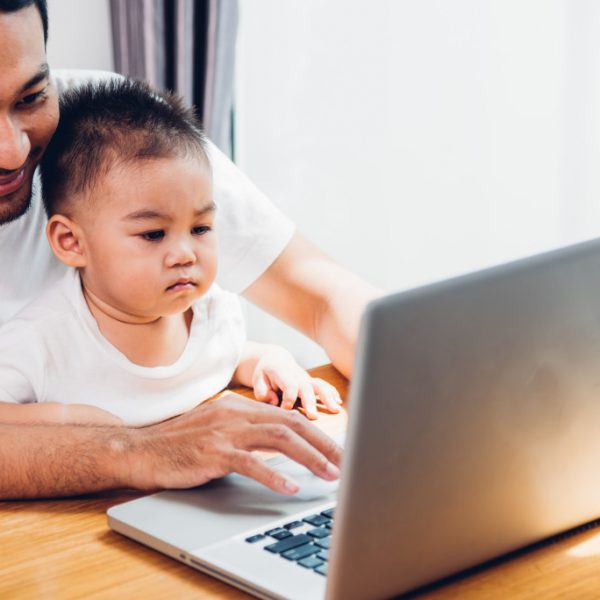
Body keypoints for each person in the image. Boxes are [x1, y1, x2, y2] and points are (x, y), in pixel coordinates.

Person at [0, 0, 379, 499]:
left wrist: (440, 384)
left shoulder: (112, 138)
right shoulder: (38, 342)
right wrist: (136, 447)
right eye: (152, 235)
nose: (13, 152)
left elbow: (317, 292)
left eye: (30, 98)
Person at [0, 78, 343, 430]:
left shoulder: (212, 312)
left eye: (200, 229)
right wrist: (66, 420)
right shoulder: (39, 341)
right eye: (153, 234)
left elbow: (232, 356)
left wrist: (272, 362)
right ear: (72, 242)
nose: (184, 255)